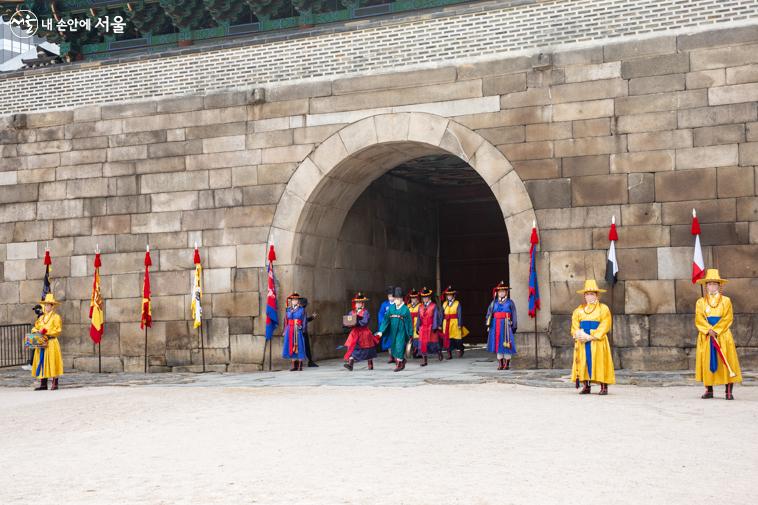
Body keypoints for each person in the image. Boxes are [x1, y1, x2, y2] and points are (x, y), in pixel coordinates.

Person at [694, 269, 742, 400]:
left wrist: (716, 330)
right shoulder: (700, 302)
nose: (712, 286)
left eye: (715, 284)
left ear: (719, 286)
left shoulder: (726, 301)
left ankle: (728, 391)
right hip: (707, 334)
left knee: (727, 360)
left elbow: (728, 317)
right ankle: (709, 390)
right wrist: (708, 329)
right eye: (709, 284)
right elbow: (699, 318)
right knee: (707, 360)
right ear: (706, 286)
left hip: (722, 334)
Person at [570, 279, 615, 395]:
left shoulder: (603, 309)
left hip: (597, 340)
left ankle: (603, 386)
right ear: (584, 296)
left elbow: (605, 324)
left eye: (592, 294)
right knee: (584, 362)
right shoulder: (579, 310)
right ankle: (586, 385)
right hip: (582, 340)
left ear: (596, 295)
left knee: (599, 361)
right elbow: (574, 325)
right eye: (587, 294)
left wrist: (591, 336)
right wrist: (578, 334)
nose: (589, 296)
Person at [31, 293, 64, 391]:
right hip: (41, 341)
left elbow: (58, 330)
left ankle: (55, 382)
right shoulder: (41, 318)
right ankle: (43, 383)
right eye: (45, 305)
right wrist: (36, 331)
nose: (46, 306)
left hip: (51, 342)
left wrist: (47, 332)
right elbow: (35, 327)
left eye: (48, 305)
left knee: (52, 361)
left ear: (52, 306)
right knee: (42, 361)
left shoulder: (56, 317)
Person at [377, 287, 414, 372]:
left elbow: (409, 322)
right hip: (393, 330)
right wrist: (381, 331)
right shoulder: (391, 308)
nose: (396, 300)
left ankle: (399, 364)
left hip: (402, 330)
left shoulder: (405, 309)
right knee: (393, 347)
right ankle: (402, 360)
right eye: (395, 298)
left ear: (401, 299)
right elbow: (386, 320)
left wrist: (411, 334)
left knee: (399, 346)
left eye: (398, 298)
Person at [342, 292, 378, 371]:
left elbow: (365, 321)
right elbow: (349, 320)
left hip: (364, 332)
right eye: (356, 303)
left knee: (367, 349)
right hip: (354, 332)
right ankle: (350, 364)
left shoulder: (365, 312)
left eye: (359, 303)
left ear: (362, 304)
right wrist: (347, 325)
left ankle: (370, 361)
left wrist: (358, 322)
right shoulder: (351, 312)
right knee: (351, 347)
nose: (358, 304)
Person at [486, 281, 517, 370]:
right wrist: (488, 325)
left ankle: (506, 363)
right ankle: (500, 363)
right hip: (495, 325)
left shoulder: (510, 302)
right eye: (500, 292)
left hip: (506, 325)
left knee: (507, 344)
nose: (502, 293)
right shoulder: (493, 303)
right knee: (497, 344)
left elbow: (514, 314)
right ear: (497, 293)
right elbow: (489, 314)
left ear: (506, 292)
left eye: (503, 291)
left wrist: (513, 325)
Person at [416, 287, 442, 366]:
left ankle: (439, 352)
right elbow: (418, 318)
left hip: (431, 327)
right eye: (423, 297)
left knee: (434, 343)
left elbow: (435, 317)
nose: (425, 299)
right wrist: (417, 327)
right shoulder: (420, 307)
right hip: (423, 328)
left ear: (429, 297)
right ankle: (425, 361)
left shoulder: (433, 306)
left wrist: (435, 327)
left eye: (426, 297)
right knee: (422, 344)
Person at [282, 292, 308, 371]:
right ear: (291, 301)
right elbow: (286, 319)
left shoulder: (302, 309)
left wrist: (303, 328)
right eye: (293, 300)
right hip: (290, 329)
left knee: (299, 345)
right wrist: (285, 330)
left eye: (296, 300)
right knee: (291, 344)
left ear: (298, 301)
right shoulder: (288, 309)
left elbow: (304, 320)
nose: (294, 301)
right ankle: (293, 365)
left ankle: (300, 365)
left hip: (297, 328)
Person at [441, 286, 465, 359]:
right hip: (446, 323)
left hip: (455, 323)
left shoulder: (457, 303)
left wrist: (460, 324)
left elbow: (459, 314)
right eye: (448, 295)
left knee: (458, 339)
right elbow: (441, 314)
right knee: (448, 339)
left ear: (453, 295)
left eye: (450, 295)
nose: (449, 297)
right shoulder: (444, 304)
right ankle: (449, 354)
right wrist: (440, 324)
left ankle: (460, 349)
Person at [21, 304, 44, 371]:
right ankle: (32, 364)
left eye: (36, 309)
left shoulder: (41, 315)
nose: (35, 311)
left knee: (34, 348)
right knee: (32, 347)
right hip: (38, 334)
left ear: (39, 309)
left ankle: (32, 365)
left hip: (40, 334)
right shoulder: (40, 315)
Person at [300, 297, 319, 367]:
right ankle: (308, 362)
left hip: (300, 331)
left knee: (302, 347)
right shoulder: (302, 311)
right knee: (305, 347)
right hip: (302, 331)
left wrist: (312, 317)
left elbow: (305, 320)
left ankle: (302, 362)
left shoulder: (300, 310)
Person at [378, 286, 395, 363]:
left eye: (391, 296)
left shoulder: (397, 304)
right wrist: (382, 322)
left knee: (396, 341)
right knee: (388, 342)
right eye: (389, 296)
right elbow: (380, 314)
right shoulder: (384, 304)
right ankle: (391, 357)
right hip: (387, 326)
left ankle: (397, 356)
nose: (390, 298)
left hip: (395, 326)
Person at [407, 289, 421, 359]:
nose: (413, 299)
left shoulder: (420, 306)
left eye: (415, 298)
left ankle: (418, 352)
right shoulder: (408, 306)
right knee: (409, 339)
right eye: (412, 298)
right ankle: (410, 351)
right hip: (409, 324)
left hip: (417, 324)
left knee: (417, 338)